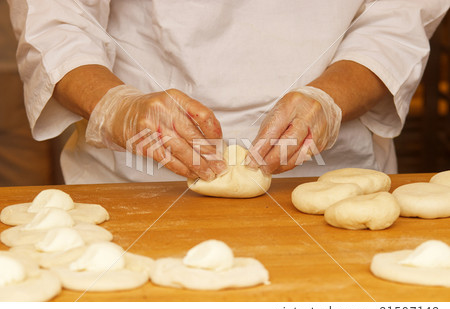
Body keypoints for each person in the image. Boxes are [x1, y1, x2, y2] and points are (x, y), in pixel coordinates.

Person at [7, 0, 449, 184]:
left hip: (335, 175)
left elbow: (399, 15)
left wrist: (331, 99)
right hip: (131, 180)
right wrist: (114, 105)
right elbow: (56, 16)